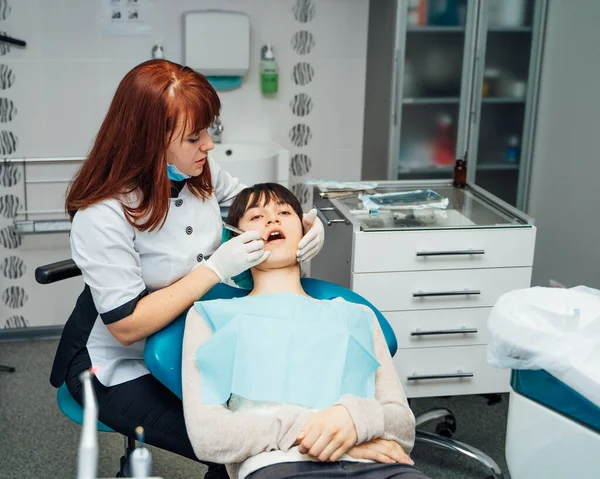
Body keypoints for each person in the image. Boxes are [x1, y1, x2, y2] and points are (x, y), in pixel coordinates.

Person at [49, 60, 324, 479]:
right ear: (148, 142)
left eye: (209, 130)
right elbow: (126, 325)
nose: (209, 145)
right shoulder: (102, 214)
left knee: (260, 425)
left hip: (189, 341)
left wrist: (298, 220)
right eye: (194, 137)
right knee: (232, 445)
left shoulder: (199, 173)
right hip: (114, 365)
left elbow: (250, 204)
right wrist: (214, 270)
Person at [182, 183, 430, 479]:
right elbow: (209, 436)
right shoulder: (210, 317)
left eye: (284, 212)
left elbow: (403, 426)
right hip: (281, 465)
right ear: (234, 239)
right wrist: (338, 433)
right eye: (256, 217)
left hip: (379, 465)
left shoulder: (357, 315)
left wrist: (351, 422)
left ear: (306, 231)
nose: (272, 220)